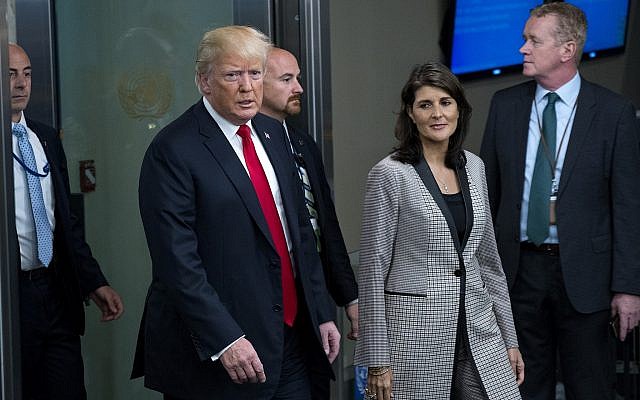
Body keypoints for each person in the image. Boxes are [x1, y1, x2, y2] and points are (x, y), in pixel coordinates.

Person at [131, 26, 340, 400]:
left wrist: (321, 311)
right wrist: (225, 338)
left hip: (289, 339)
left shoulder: (273, 133)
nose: (247, 87)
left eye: (255, 73)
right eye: (233, 75)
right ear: (204, 81)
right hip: (220, 353)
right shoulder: (174, 149)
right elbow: (177, 262)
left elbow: (300, 235)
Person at [479, 3, 640, 399]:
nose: (523, 49)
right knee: (523, 387)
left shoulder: (613, 112)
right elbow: (487, 195)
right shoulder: (505, 105)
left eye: (533, 40)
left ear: (567, 49)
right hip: (519, 271)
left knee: (590, 387)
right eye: (524, 39)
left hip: (586, 275)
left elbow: (628, 206)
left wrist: (628, 288)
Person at [354, 62, 524, 400]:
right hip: (415, 335)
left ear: (459, 108)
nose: (437, 114)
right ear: (410, 112)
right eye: (425, 104)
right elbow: (373, 270)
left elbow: (489, 262)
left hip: (479, 327)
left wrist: (510, 338)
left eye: (445, 102)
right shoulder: (390, 174)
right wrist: (377, 360)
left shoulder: (474, 167)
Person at [9, 43, 124, 400]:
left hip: (55, 289)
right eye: (9, 74)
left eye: (27, 74)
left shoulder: (44, 137)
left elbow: (65, 222)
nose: (21, 84)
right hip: (12, 297)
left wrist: (93, 281)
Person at [261, 47, 359, 399]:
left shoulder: (302, 141)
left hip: (312, 299)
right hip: (273, 306)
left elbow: (324, 226)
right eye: (287, 80)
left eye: (298, 77)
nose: (299, 87)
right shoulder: (247, 151)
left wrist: (349, 296)